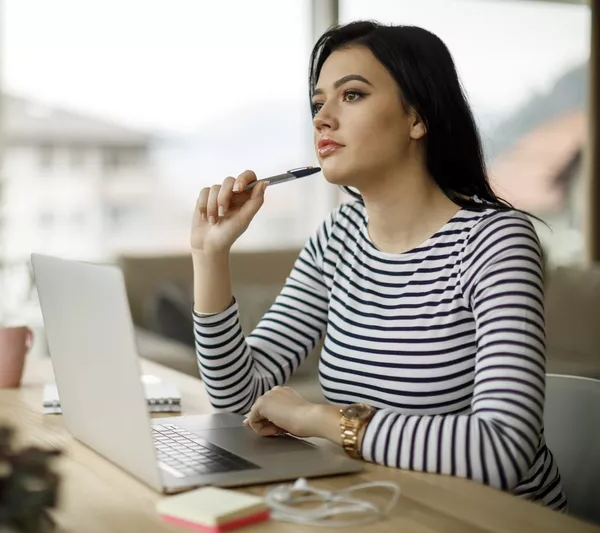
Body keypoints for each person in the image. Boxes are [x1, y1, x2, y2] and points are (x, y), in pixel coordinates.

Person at [189, 20, 566, 511]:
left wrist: (321, 420)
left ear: (417, 118)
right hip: (383, 505)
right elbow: (241, 399)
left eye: (352, 95)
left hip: (491, 520)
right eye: (318, 103)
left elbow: (500, 450)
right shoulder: (337, 237)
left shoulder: (496, 242)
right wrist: (210, 256)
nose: (323, 119)